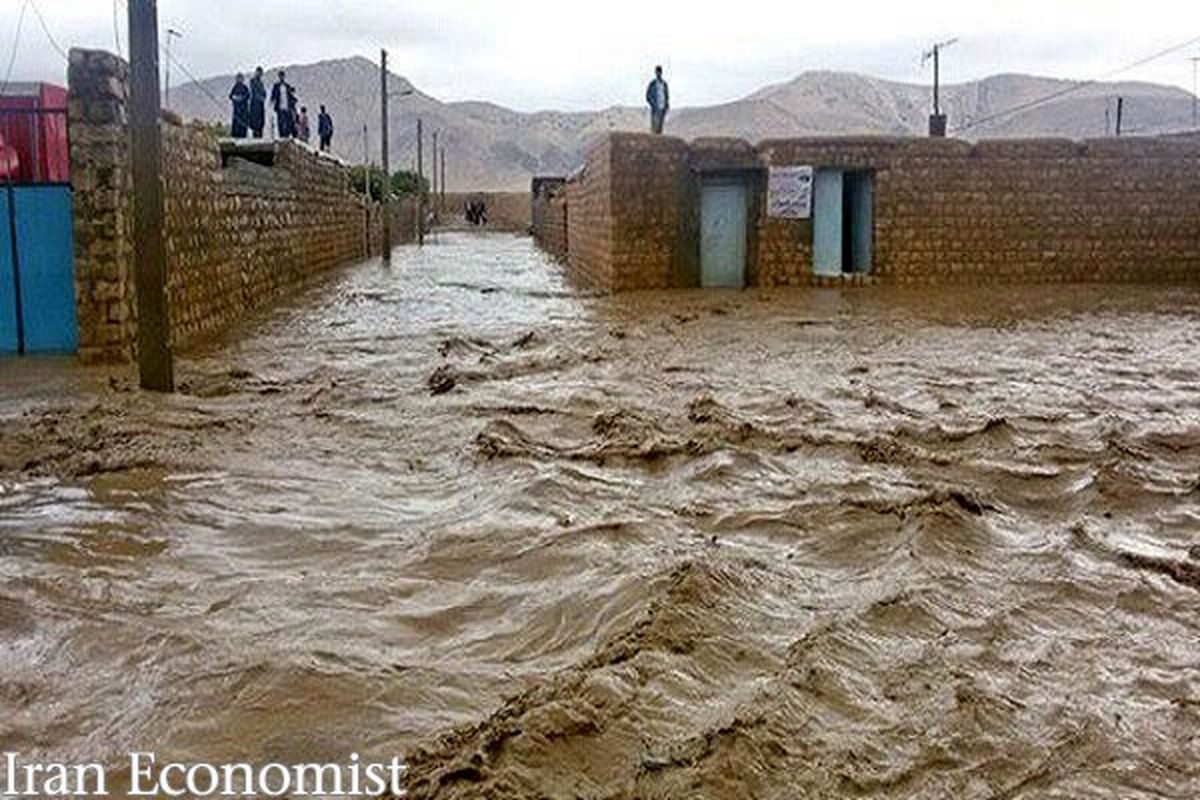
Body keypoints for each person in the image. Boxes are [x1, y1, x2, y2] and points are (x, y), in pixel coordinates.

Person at [646, 65, 670, 134]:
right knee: (654, 127)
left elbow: (666, 95)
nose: (658, 74)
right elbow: (648, 96)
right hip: (655, 108)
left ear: (661, 73)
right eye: (657, 72)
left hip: (662, 108)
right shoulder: (652, 84)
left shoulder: (664, 84)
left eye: (659, 72)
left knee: (660, 128)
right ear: (655, 73)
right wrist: (653, 104)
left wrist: (666, 105)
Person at [270, 70, 294, 138]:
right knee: (280, 123)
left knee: (287, 123)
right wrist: (272, 102)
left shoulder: (287, 86)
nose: (281, 77)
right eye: (280, 76)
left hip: (287, 107)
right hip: (280, 107)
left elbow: (290, 96)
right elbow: (273, 95)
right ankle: (281, 137)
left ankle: (286, 136)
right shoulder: (276, 86)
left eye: (282, 76)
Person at [228, 73, 250, 139]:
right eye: (238, 78)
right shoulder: (235, 87)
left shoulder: (245, 87)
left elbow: (248, 95)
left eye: (241, 78)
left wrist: (241, 98)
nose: (239, 80)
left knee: (243, 125)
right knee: (236, 125)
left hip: (244, 110)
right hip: (237, 110)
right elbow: (231, 96)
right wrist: (235, 98)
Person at [248, 67, 267, 138]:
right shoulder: (252, 81)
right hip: (255, 104)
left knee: (261, 123)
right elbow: (254, 92)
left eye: (261, 73)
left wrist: (262, 98)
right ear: (256, 72)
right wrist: (260, 97)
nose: (260, 74)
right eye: (259, 72)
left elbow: (264, 93)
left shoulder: (261, 83)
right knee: (255, 123)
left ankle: (260, 136)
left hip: (260, 105)